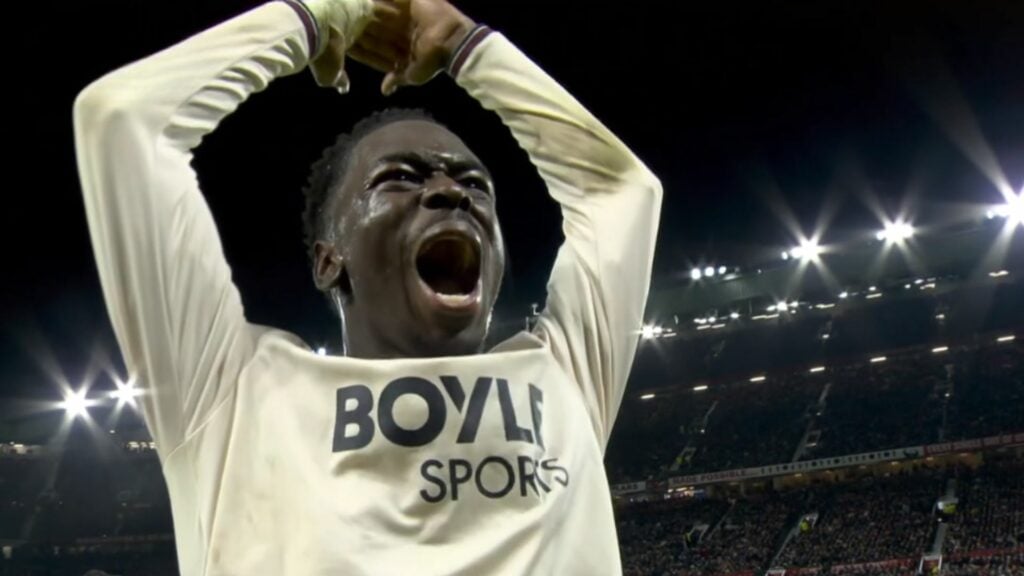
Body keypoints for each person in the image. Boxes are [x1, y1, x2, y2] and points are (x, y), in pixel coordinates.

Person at [74, 0, 662, 573]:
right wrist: (313, 18)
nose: (450, 192)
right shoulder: (228, 391)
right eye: (400, 179)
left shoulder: (566, 374)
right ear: (330, 261)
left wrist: (465, 46)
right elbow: (122, 120)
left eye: (474, 184)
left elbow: (623, 192)